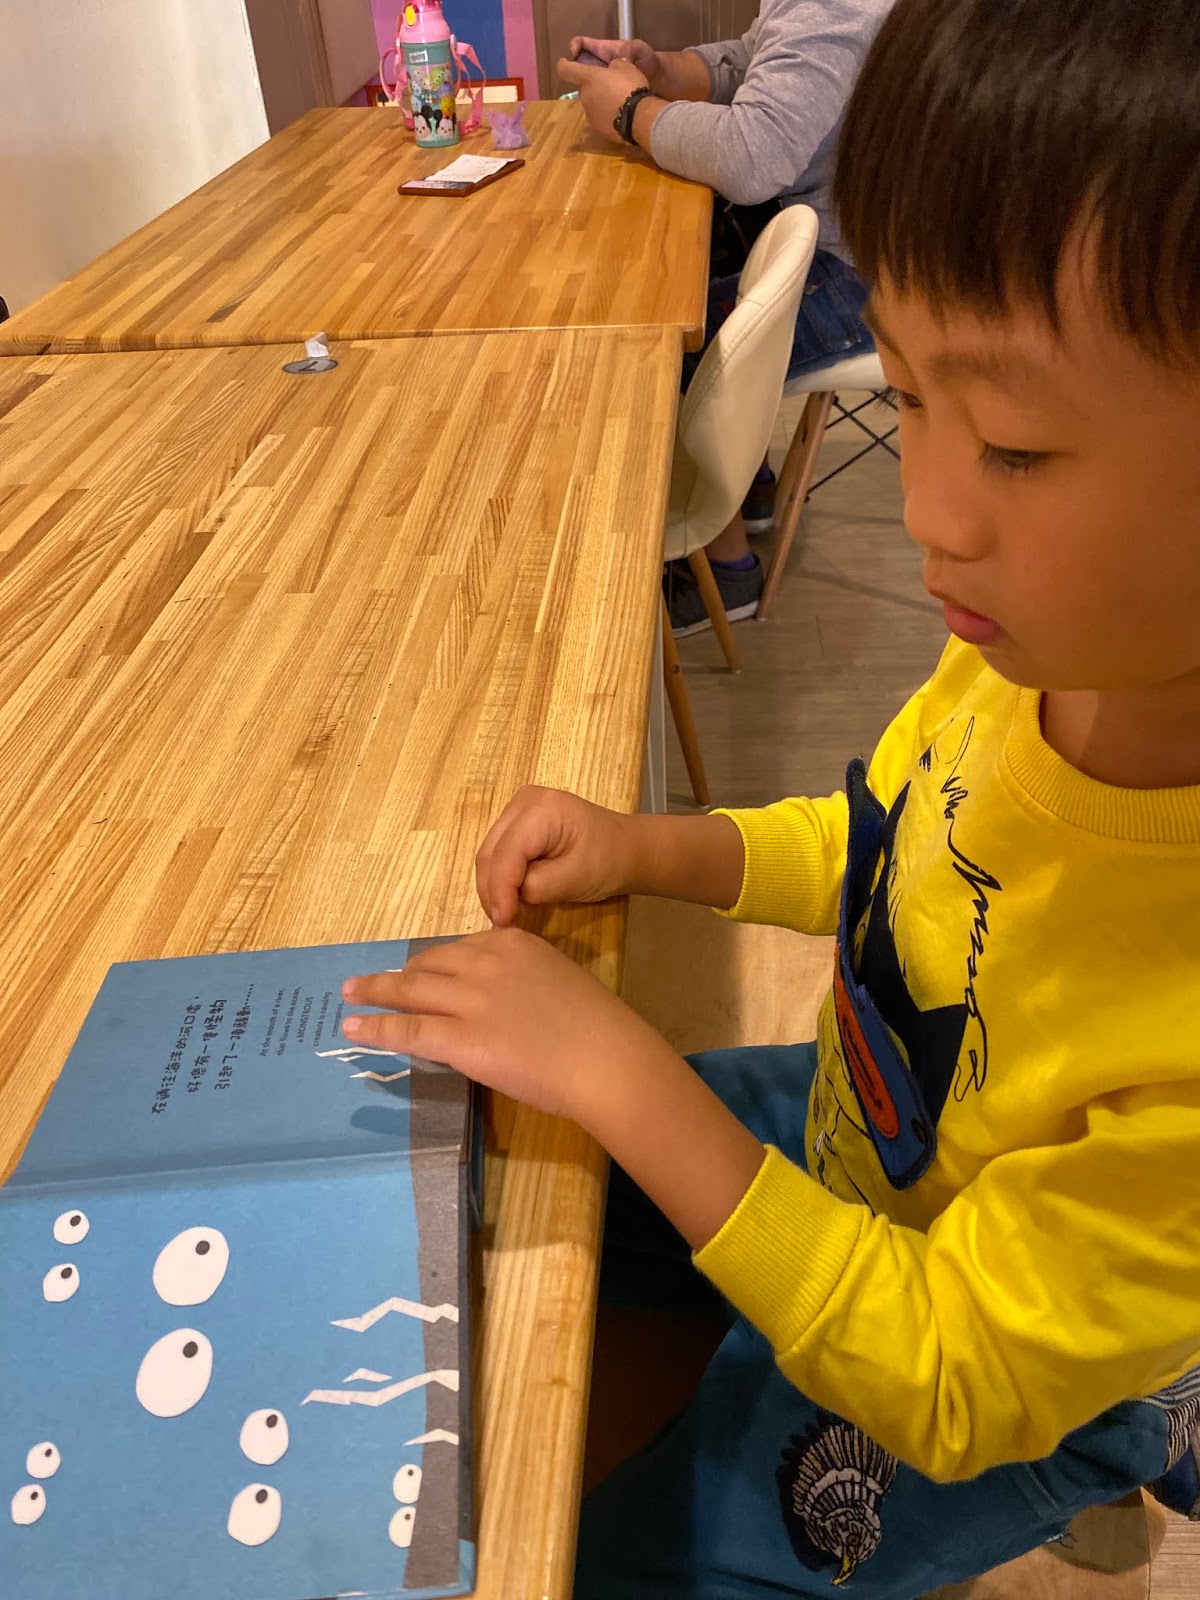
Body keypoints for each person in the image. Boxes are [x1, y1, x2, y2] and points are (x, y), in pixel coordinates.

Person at [340, 0, 1200, 1592]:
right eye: (916, 399)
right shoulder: (1029, 661)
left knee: (619, 1562)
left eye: (1014, 447)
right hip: (858, 1130)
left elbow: (956, 1376)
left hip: (980, 1369)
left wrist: (627, 1073)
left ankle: (1124, 1440)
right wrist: (651, 848)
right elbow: (881, 840)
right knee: (492, 1170)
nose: (930, 511)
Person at [559, 3, 892, 635]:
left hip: (871, 280)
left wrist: (632, 112)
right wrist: (663, 70)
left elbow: (751, 158)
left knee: (671, 355)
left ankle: (727, 569)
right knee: (699, 280)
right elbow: (761, 60)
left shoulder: (836, 7)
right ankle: (749, 489)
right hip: (857, 247)